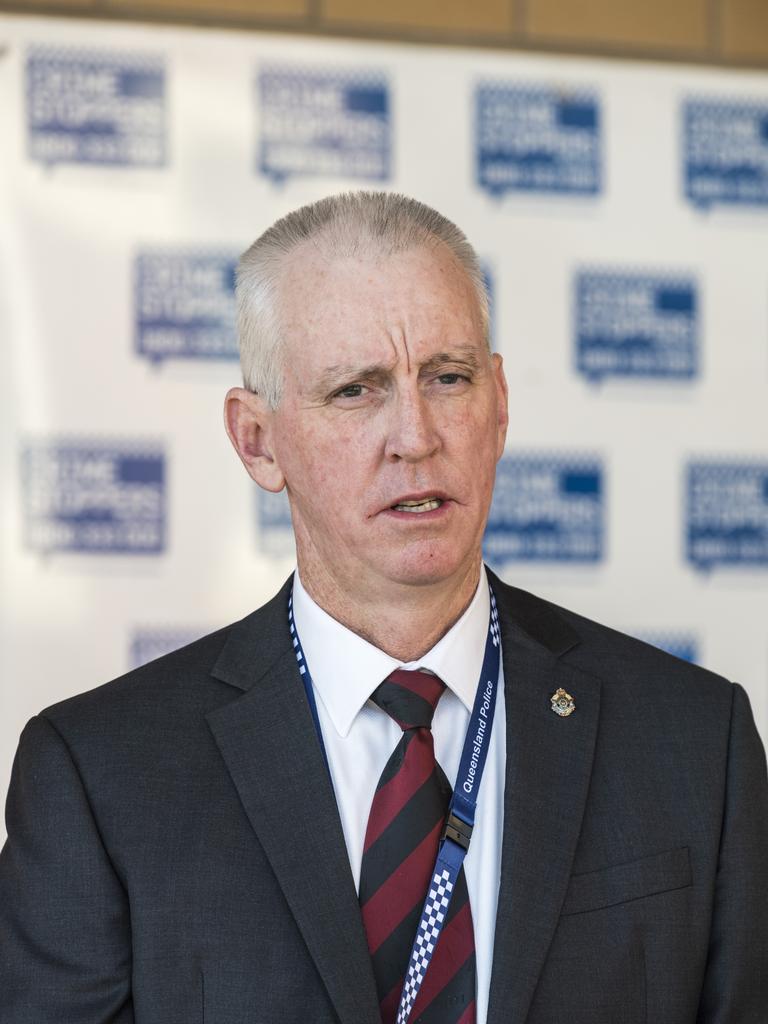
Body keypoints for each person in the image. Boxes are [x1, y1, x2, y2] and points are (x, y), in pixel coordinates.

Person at [1, 191, 766, 1024]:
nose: (416, 435)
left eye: (447, 378)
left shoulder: (697, 743)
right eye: (357, 390)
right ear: (258, 441)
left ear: (500, 404)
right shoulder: (100, 777)